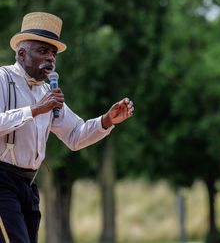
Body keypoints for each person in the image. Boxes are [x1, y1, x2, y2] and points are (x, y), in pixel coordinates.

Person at [0, 12, 134, 243]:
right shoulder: (3, 79)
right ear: (21, 54)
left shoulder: (46, 93)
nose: (50, 59)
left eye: (53, 53)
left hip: (28, 185)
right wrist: (34, 110)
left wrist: (106, 121)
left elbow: (75, 136)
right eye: (43, 50)